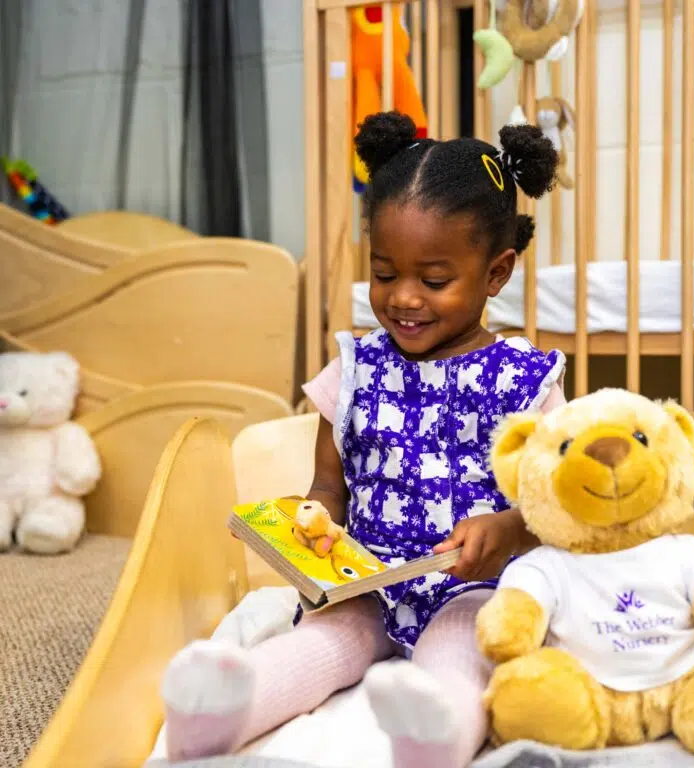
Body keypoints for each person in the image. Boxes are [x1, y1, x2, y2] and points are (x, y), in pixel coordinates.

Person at [161, 112, 566, 767]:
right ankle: (220, 713)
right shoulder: (353, 370)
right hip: (367, 581)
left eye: (434, 281)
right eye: (383, 273)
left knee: (461, 654)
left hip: (474, 589)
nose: (404, 298)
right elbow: (331, 482)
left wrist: (511, 529)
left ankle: (433, 736)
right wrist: (310, 520)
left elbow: (559, 510)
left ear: (496, 273)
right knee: (324, 642)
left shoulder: (528, 383)